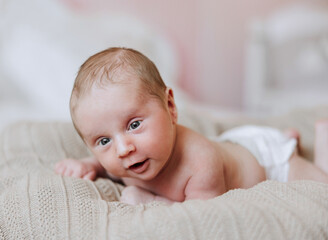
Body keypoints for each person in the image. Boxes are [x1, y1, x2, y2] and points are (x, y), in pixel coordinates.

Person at [55, 47, 328, 205]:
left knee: (321, 188)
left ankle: (313, 141)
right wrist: (88, 165)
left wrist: (148, 201)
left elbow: (205, 216)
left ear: (170, 107)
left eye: (134, 124)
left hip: (266, 161)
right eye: (104, 141)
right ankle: (287, 137)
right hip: (233, 144)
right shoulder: (130, 157)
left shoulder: (200, 164)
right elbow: (105, 164)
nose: (123, 149)